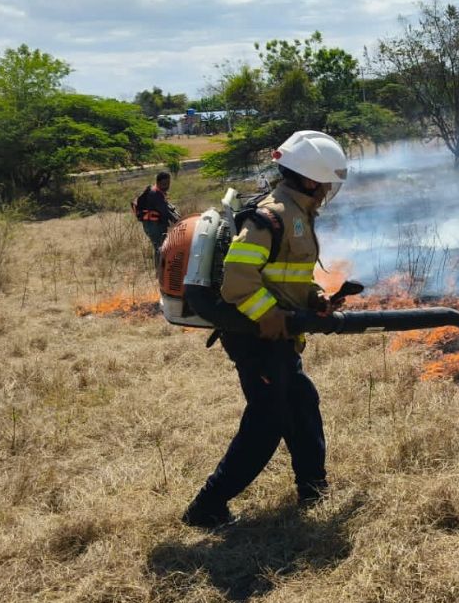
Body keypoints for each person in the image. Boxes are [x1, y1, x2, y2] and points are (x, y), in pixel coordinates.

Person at [181, 131, 350, 529]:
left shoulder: (297, 214)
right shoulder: (269, 217)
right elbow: (237, 281)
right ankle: (207, 507)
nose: (329, 190)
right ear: (309, 179)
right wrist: (270, 316)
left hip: (278, 336)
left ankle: (313, 487)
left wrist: (315, 298)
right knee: (267, 420)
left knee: (302, 403)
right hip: (256, 339)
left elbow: (285, 276)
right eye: (326, 181)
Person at [132, 171, 180, 258]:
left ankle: (160, 265)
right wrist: (179, 222)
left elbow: (168, 208)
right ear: (158, 182)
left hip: (153, 224)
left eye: (168, 183)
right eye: (164, 184)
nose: (167, 186)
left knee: (160, 248)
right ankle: (159, 266)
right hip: (154, 226)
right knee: (160, 249)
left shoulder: (157, 192)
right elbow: (165, 212)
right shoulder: (155, 194)